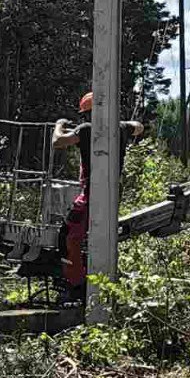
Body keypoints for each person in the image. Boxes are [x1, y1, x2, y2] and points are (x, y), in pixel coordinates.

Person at [52, 92, 144, 306]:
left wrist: (59, 125)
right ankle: (90, 278)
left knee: (67, 236)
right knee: (95, 237)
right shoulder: (120, 128)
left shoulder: (86, 129)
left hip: (93, 192)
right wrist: (127, 123)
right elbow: (138, 126)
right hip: (112, 193)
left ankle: (77, 286)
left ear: (89, 114)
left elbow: (58, 142)